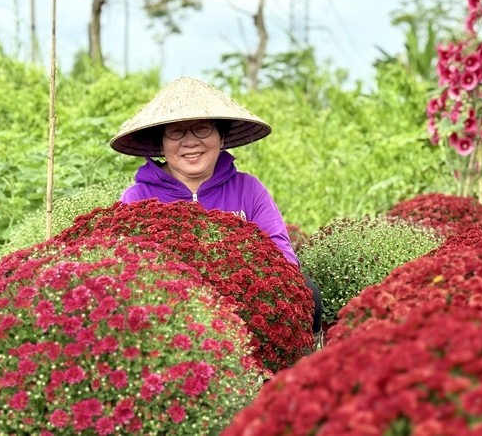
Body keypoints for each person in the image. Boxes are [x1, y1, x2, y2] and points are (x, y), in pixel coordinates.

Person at [109, 76, 324, 351]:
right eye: (176, 132)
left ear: (221, 138)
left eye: (202, 129)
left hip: (246, 303)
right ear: (160, 144)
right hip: (168, 308)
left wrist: (238, 279)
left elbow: (283, 258)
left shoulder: (249, 189)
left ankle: (299, 378)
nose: (190, 142)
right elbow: (122, 271)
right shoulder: (137, 198)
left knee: (309, 292)